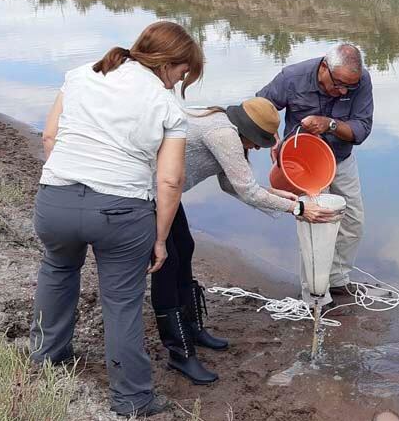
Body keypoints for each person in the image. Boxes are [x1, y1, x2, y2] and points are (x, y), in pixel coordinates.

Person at [29, 21, 203, 417]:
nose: (180, 82)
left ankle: (47, 359)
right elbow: (170, 180)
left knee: (57, 271)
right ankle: (131, 399)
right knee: (122, 303)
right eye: (182, 73)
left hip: (56, 201)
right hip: (121, 213)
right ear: (168, 64)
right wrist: (160, 238)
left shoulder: (80, 75)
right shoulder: (167, 106)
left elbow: (49, 138)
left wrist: (67, 184)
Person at [150, 97, 338, 385]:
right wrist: (297, 208)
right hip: (146, 192)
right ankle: (180, 352)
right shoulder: (223, 134)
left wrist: (277, 195)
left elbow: (232, 184)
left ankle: (192, 328)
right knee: (167, 264)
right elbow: (246, 191)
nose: (255, 148)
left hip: (167, 194)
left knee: (185, 248)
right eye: (256, 143)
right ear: (247, 133)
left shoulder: (225, 125)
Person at [256, 43, 373, 299]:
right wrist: (273, 140)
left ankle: (337, 279)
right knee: (315, 226)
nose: (343, 90)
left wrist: (330, 125)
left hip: (339, 160)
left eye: (349, 87)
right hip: (300, 165)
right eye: (338, 83)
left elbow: (362, 129)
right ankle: (314, 292)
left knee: (352, 221)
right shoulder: (292, 77)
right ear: (323, 68)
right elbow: (260, 106)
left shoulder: (360, 80)